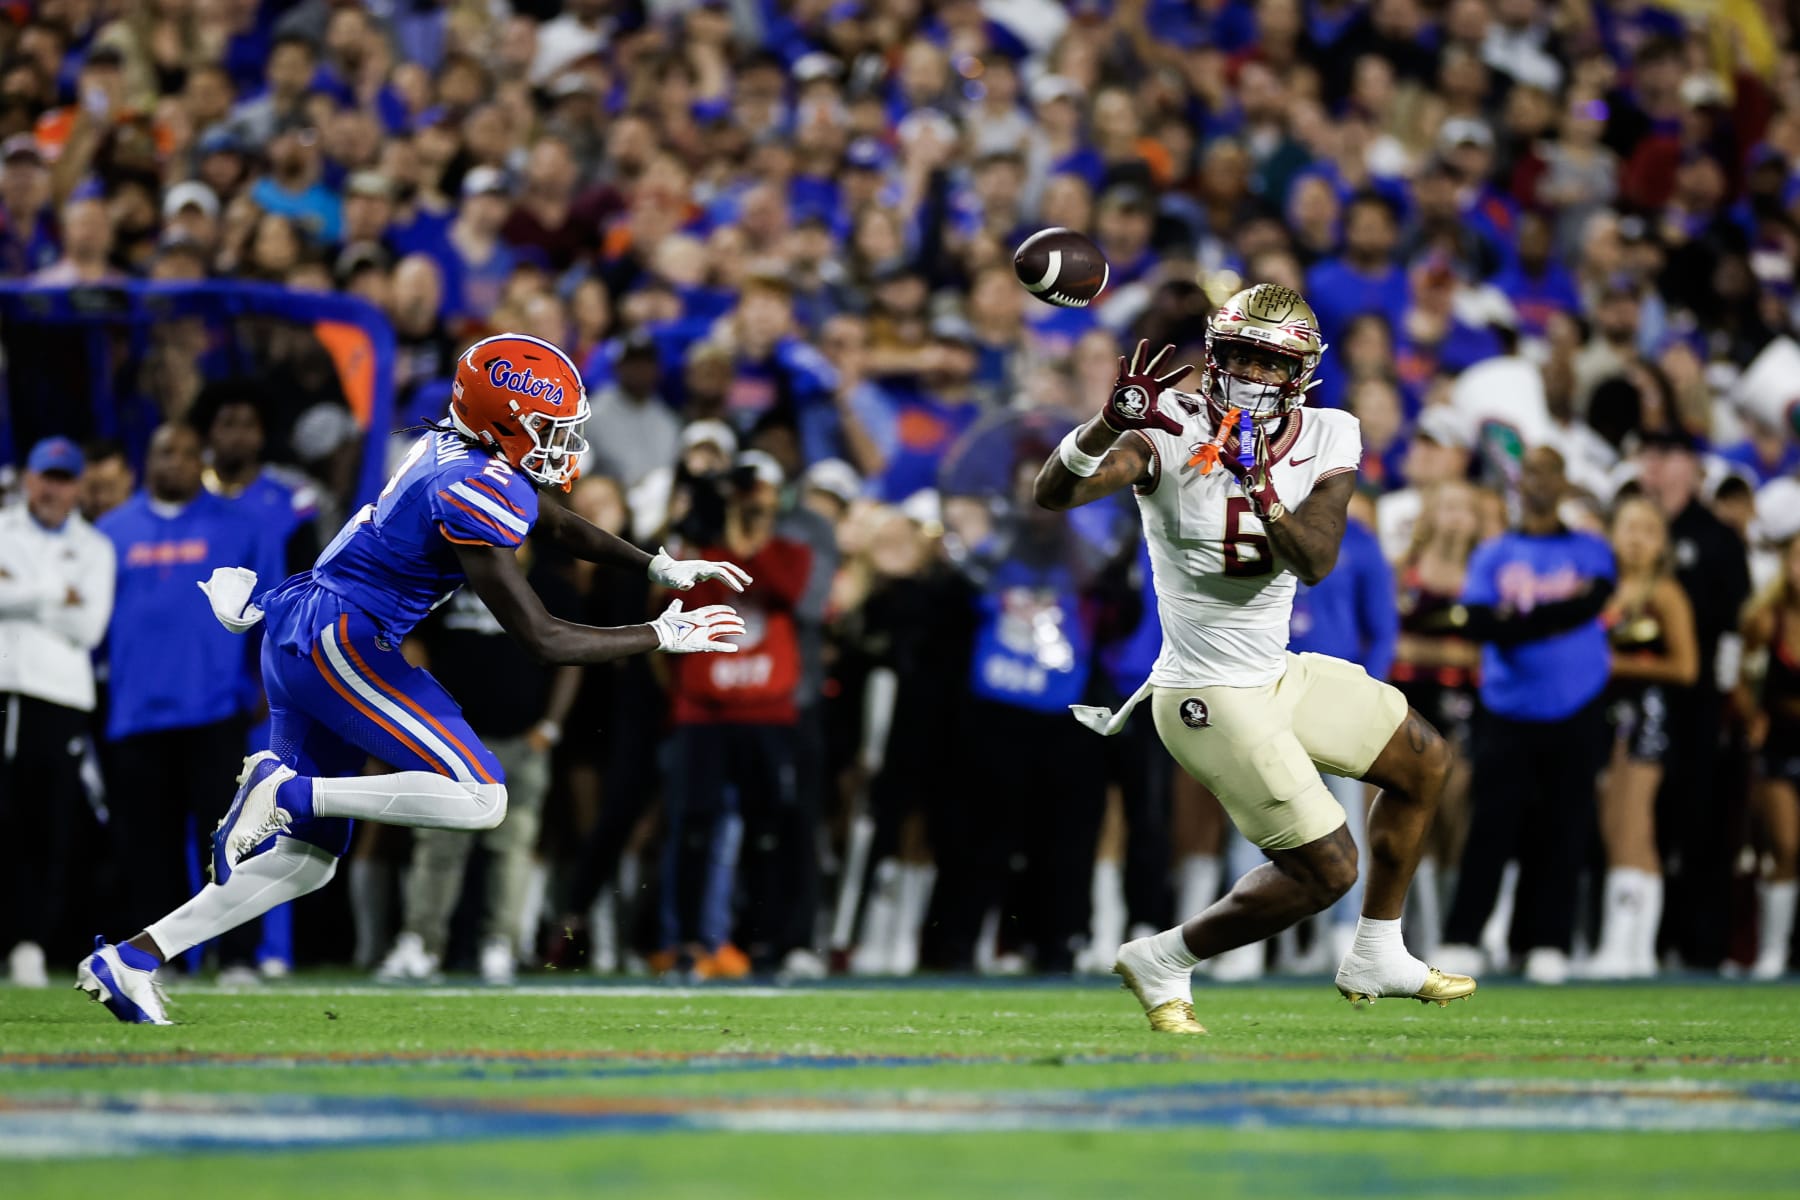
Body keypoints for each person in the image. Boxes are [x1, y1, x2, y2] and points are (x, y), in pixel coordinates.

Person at [75, 334, 752, 1025]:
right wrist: (663, 634)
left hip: (307, 627)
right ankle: (287, 790)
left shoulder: (463, 450)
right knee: (483, 796)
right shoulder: (472, 484)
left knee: (308, 862)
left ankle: (131, 958)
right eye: (550, 427)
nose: (563, 443)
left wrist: (654, 567)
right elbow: (543, 639)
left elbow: (550, 520)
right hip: (339, 636)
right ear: (505, 419)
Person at [1034, 284, 1474, 1033]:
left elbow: (1316, 560)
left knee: (1424, 761)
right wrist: (1106, 424)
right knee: (1330, 869)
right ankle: (1165, 957)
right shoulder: (1169, 424)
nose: (1251, 373)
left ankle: (1378, 950)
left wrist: (1259, 484)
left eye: (1270, 363)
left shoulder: (1330, 432)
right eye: (1238, 354)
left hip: (1276, 671)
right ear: (1213, 354)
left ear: (1300, 373)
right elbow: (1054, 493)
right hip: (1203, 689)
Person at [1437, 447, 1616, 984]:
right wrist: (1544, 618)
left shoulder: (1590, 548)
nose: (1538, 481)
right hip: (1507, 705)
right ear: (1518, 483)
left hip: (1578, 703)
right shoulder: (1494, 552)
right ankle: (1464, 936)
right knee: (1491, 825)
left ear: (1564, 482)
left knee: (1565, 826)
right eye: (1530, 472)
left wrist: (1516, 619)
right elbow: (1476, 623)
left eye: (1548, 470)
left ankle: (1547, 941)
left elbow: (1591, 605)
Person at [0, 439, 114, 987]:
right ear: (28, 479)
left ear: (77, 485)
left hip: (59, 699)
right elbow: (69, 612)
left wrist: (16, 592)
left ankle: (29, 944)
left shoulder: (96, 547)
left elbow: (88, 629)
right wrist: (56, 594)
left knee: (45, 827)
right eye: (46, 476)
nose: (53, 489)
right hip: (6, 690)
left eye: (64, 478)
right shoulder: (3, 527)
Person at [1588, 496, 1697, 978]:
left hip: (1645, 712)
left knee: (1631, 821)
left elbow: (1687, 666)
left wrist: (1614, 663)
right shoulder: (1604, 589)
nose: (1635, 538)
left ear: (1662, 544)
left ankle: (1621, 943)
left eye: (1647, 530)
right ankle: (1637, 949)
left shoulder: (1666, 593)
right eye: (1628, 527)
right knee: (1621, 824)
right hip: (1607, 712)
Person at [1739, 533, 1800, 979]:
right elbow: (1743, 680)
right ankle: (1772, 950)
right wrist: (1752, 717)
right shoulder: (1765, 620)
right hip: (1780, 745)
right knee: (1785, 846)